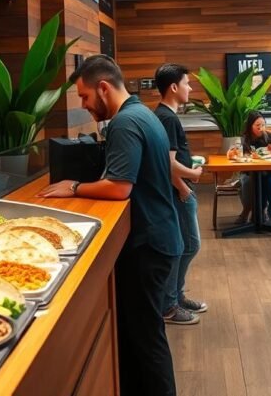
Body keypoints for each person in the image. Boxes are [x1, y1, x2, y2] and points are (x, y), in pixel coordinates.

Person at [37, 55, 181, 396]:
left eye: (85, 97)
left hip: (149, 243)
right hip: (159, 236)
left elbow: (119, 186)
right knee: (138, 335)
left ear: (103, 88)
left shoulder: (124, 122)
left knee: (146, 339)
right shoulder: (142, 113)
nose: (85, 106)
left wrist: (72, 187)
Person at [153, 63, 207, 325]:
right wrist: (189, 180)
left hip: (179, 190)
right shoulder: (168, 118)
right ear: (173, 87)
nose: (190, 87)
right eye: (187, 83)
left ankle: (175, 295)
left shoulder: (164, 115)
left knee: (184, 245)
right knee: (188, 245)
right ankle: (170, 305)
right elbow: (168, 162)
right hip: (179, 192)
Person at [235, 111, 271, 224]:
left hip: (266, 172)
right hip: (248, 172)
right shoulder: (244, 139)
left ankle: (261, 210)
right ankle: (248, 210)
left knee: (264, 180)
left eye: (263, 125)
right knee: (248, 182)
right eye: (257, 125)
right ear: (250, 126)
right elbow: (239, 155)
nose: (261, 128)